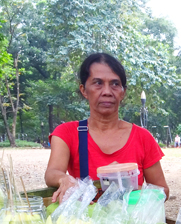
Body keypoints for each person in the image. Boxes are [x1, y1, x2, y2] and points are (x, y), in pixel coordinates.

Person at [45, 53, 169, 202]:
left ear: (123, 92)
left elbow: (163, 191)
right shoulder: (67, 133)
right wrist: (64, 179)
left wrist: (135, 192)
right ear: (84, 90)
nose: (107, 92)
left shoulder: (142, 137)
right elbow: (52, 173)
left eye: (115, 84)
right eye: (98, 83)